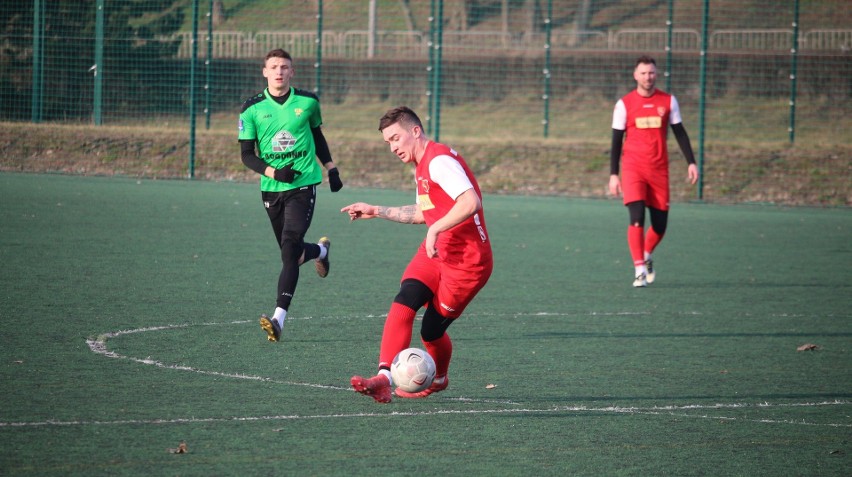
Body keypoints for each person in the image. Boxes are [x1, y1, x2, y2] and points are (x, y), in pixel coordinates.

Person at [342, 106, 493, 404]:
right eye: (388, 143)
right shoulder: (421, 166)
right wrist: (377, 210)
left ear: (415, 131)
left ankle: (439, 378)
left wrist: (436, 229)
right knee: (406, 299)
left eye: (396, 138)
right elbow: (423, 213)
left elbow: (471, 201)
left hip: (467, 263)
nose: (393, 147)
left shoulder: (439, 162)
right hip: (435, 251)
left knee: (431, 330)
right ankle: (383, 378)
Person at [238, 48, 344, 342]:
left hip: (303, 185)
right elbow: (247, 155)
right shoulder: (252, 108)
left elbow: (317, 136)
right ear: (265, 72)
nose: (279, 72)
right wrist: (273, 172)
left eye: (285, 67)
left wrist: (331, 169)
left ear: (292, 72)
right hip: (272, 189)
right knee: (294, 255)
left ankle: (278, 319)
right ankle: (321, 252)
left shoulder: (308, 102)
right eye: (274, 67)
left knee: (288, 248)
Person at [609, 55, 699, 287]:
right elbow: (616, 141)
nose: (648, 77)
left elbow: (680, 132)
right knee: (637, 218)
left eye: (651, 73)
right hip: (633, 169)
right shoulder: (624, 104)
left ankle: (646, 253)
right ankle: (639, 268)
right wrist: (613, 174)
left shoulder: (668, 101)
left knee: (660, 225)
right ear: (635, 75)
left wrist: (691, 162)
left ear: (656, 74)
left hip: (659, 169)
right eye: (643, 73)